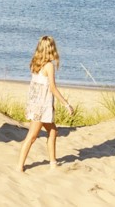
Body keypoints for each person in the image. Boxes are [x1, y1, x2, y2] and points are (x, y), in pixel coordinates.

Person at [17, 35, 75, 171]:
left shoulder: (35, 62)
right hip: (41, 107)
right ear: (50, 49)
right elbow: (53, 88)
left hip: (36, 103)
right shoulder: (49, 66)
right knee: (31, 137)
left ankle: (53, 163)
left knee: (53, 131)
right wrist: (66, 104)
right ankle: (19, 166)